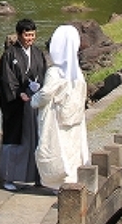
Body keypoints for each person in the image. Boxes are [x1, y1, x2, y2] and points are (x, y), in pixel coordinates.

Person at [31, 24, 90, 192]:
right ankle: (74, 181)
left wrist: (33, 100)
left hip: (56, 118)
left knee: (56, 148)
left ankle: (59, 183)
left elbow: (45, 94)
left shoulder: (55, 72)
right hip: (74, 117)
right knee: (72, 149)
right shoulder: (76, 71)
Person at [0, 19, 48, 191]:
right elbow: (6, 80)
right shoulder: (10, 55)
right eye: (26, 35)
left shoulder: (38, 53)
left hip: (34, 102)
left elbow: (43, 74)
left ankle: (37, 176)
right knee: (16, 140)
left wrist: (39, 90)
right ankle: (10, 177)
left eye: (32, 35)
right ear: (19, 35)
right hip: (17, 105)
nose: (29, 38)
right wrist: (19, 93)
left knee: (37, 139)